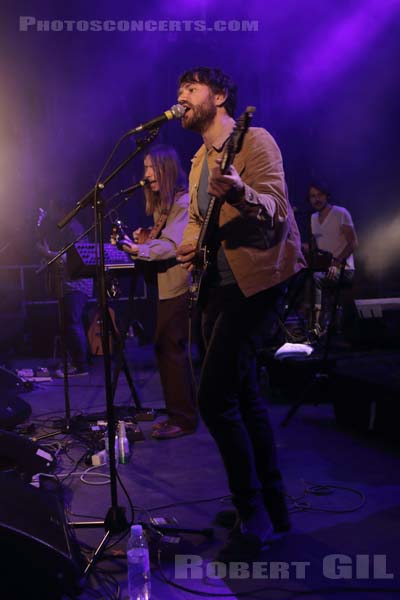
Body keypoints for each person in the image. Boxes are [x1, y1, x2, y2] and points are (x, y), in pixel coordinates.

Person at [176, 67, 305, 560]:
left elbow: (276, 208)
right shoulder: (197, 160)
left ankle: (253, 513)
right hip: (216, 285)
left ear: (221, 96)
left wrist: (239, 193)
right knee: (245, 396)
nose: (181, 97)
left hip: (259, 282)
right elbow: (193, 219)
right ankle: (272, 507)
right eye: (179, 91)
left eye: (191, 88)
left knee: (213, 398)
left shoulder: (256, 141)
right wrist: (189, 247)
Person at [117, 144, 198, 440]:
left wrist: (140, 248)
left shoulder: (183, 201)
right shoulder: (165, 205)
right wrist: (143, 239)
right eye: (145, 168)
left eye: (151, 168)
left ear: (165, 169)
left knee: (171, 349)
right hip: (165, 287)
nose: (146, 175)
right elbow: (161, 239)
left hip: (180, 287)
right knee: (164, 349)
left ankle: (184, 418)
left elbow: (173, 246)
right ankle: (178, 413)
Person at [36, 199, 92, 376]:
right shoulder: (65, 228)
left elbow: (76, 256)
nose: (51, 214)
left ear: (61, 209)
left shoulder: (73, 228)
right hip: (70, 283)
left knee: (72, 323)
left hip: (76, 284)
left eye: (53, 209)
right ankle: (75, 362)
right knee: (69, 323)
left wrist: (48, 254)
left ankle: (80, 366)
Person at [308, 181, 358, 333]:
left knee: (315, 278)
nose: (316, 199)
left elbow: (353, 243)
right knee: (305, 276)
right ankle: (314, 323)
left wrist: (336, 263)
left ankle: (315, 326)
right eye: (312, 196)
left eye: (320, 195)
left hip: (344, 268)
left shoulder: (340, 213)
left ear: (327, 195)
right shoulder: (313, 218)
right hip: (324, 269)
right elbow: (315, 248)